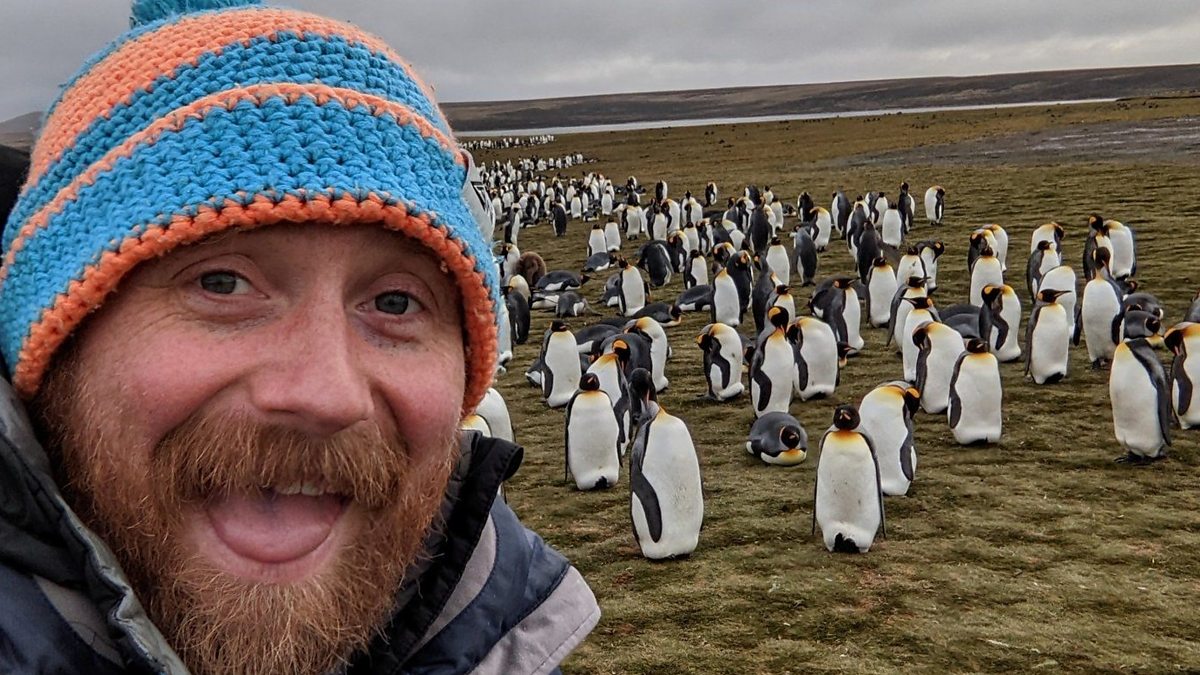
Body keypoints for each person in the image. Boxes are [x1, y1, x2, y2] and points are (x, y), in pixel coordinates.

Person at [0, 0, 599, 673]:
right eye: (221, 284)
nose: (326, 392)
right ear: (54, 347)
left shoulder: (495, 629)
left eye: (396, 301)